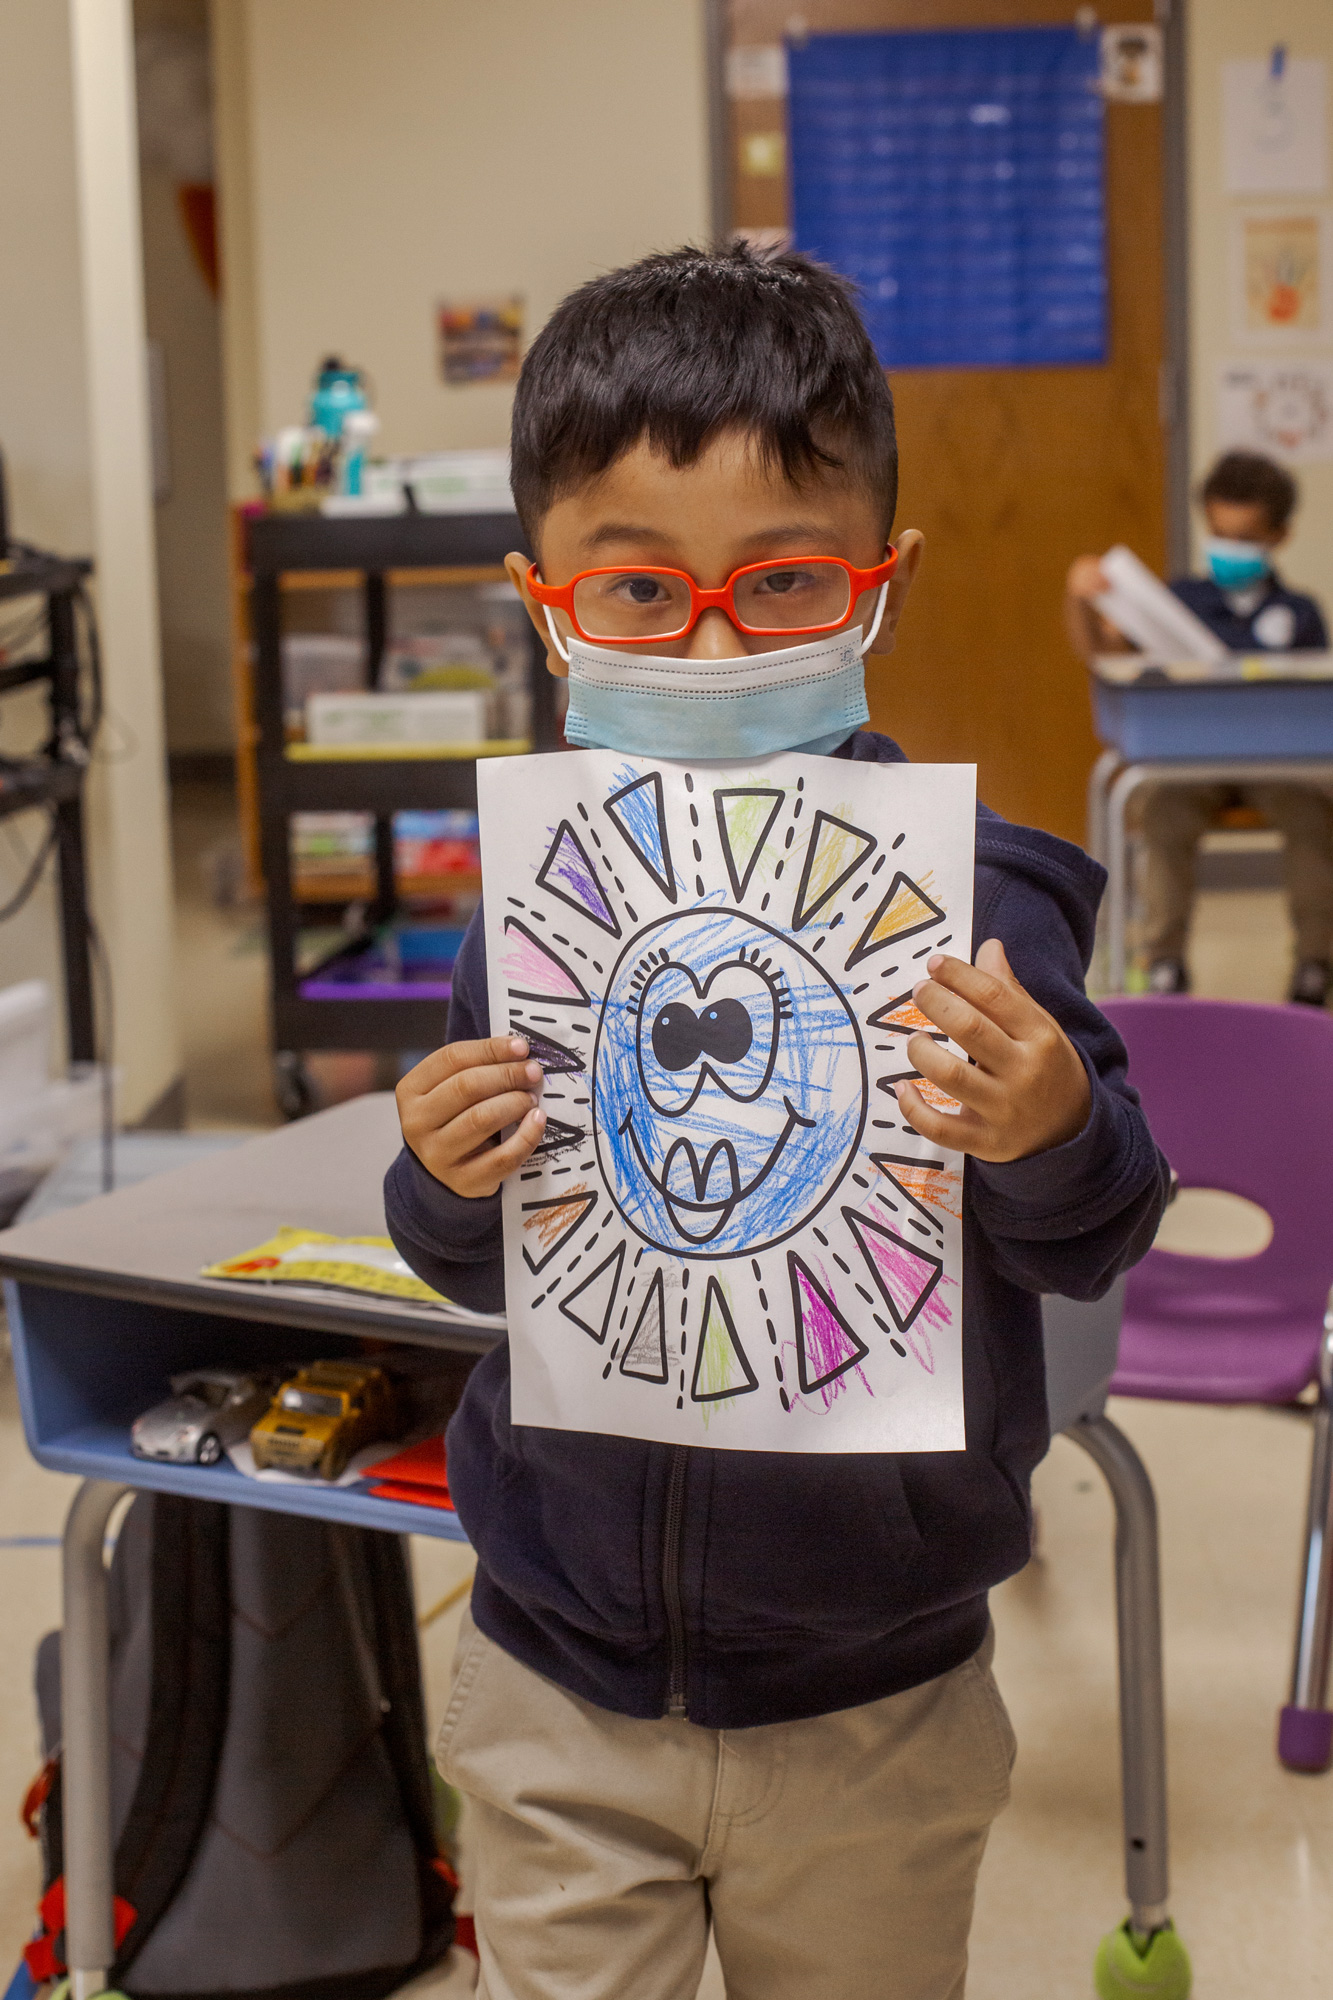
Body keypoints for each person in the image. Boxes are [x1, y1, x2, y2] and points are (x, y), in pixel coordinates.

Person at [386, 244, 1170, 2000]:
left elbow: (1096, 1229)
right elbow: (483, 1262)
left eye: (785, 584)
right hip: (557, 1675)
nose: (720, 639)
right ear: (545, 604)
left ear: (876, 586)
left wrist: (1044, 1125)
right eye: (645, 595)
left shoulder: (976, 905)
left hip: (873, 1691)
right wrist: (439, 1181)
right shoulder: (534, 907)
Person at [1066, 450, 1332, 1003]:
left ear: (1278, 535)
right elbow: (1105, 655)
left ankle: (1315, 965)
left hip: (1277, 763)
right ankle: (1163, 964)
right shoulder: (1179, 601)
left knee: (1313, 815)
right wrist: (1080, 601)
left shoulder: (1301, 612)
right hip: (1187, 764)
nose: (1229, 550)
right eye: (1219, 533)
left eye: (1245, 537)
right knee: (1161, 812)